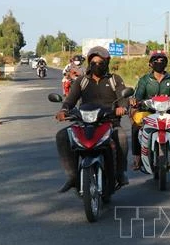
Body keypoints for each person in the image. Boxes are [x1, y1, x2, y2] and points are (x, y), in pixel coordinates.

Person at [54, 46, 130, 193]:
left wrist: (123, 108)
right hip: (84, 123)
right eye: (93, 62)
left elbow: (123, 98)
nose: (97, 65)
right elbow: (70, 100)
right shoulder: (82, 81)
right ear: (89, 63)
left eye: (100, 62)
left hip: (109, 122)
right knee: (62, 135)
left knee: (121, 137)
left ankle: (120, 173)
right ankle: (72, 176)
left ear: (106, 63)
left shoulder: (115, 79)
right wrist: (64, 110)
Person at [129, 51, 170, 170]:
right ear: (150, 64)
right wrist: (134, 101)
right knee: (135, 128)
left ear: (166, 63)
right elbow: (137, 96)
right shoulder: (144, 80)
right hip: (149, 113)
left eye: (162, 61)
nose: (159, 63)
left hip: (168, 114)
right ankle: (137, 158)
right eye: (156, 61)